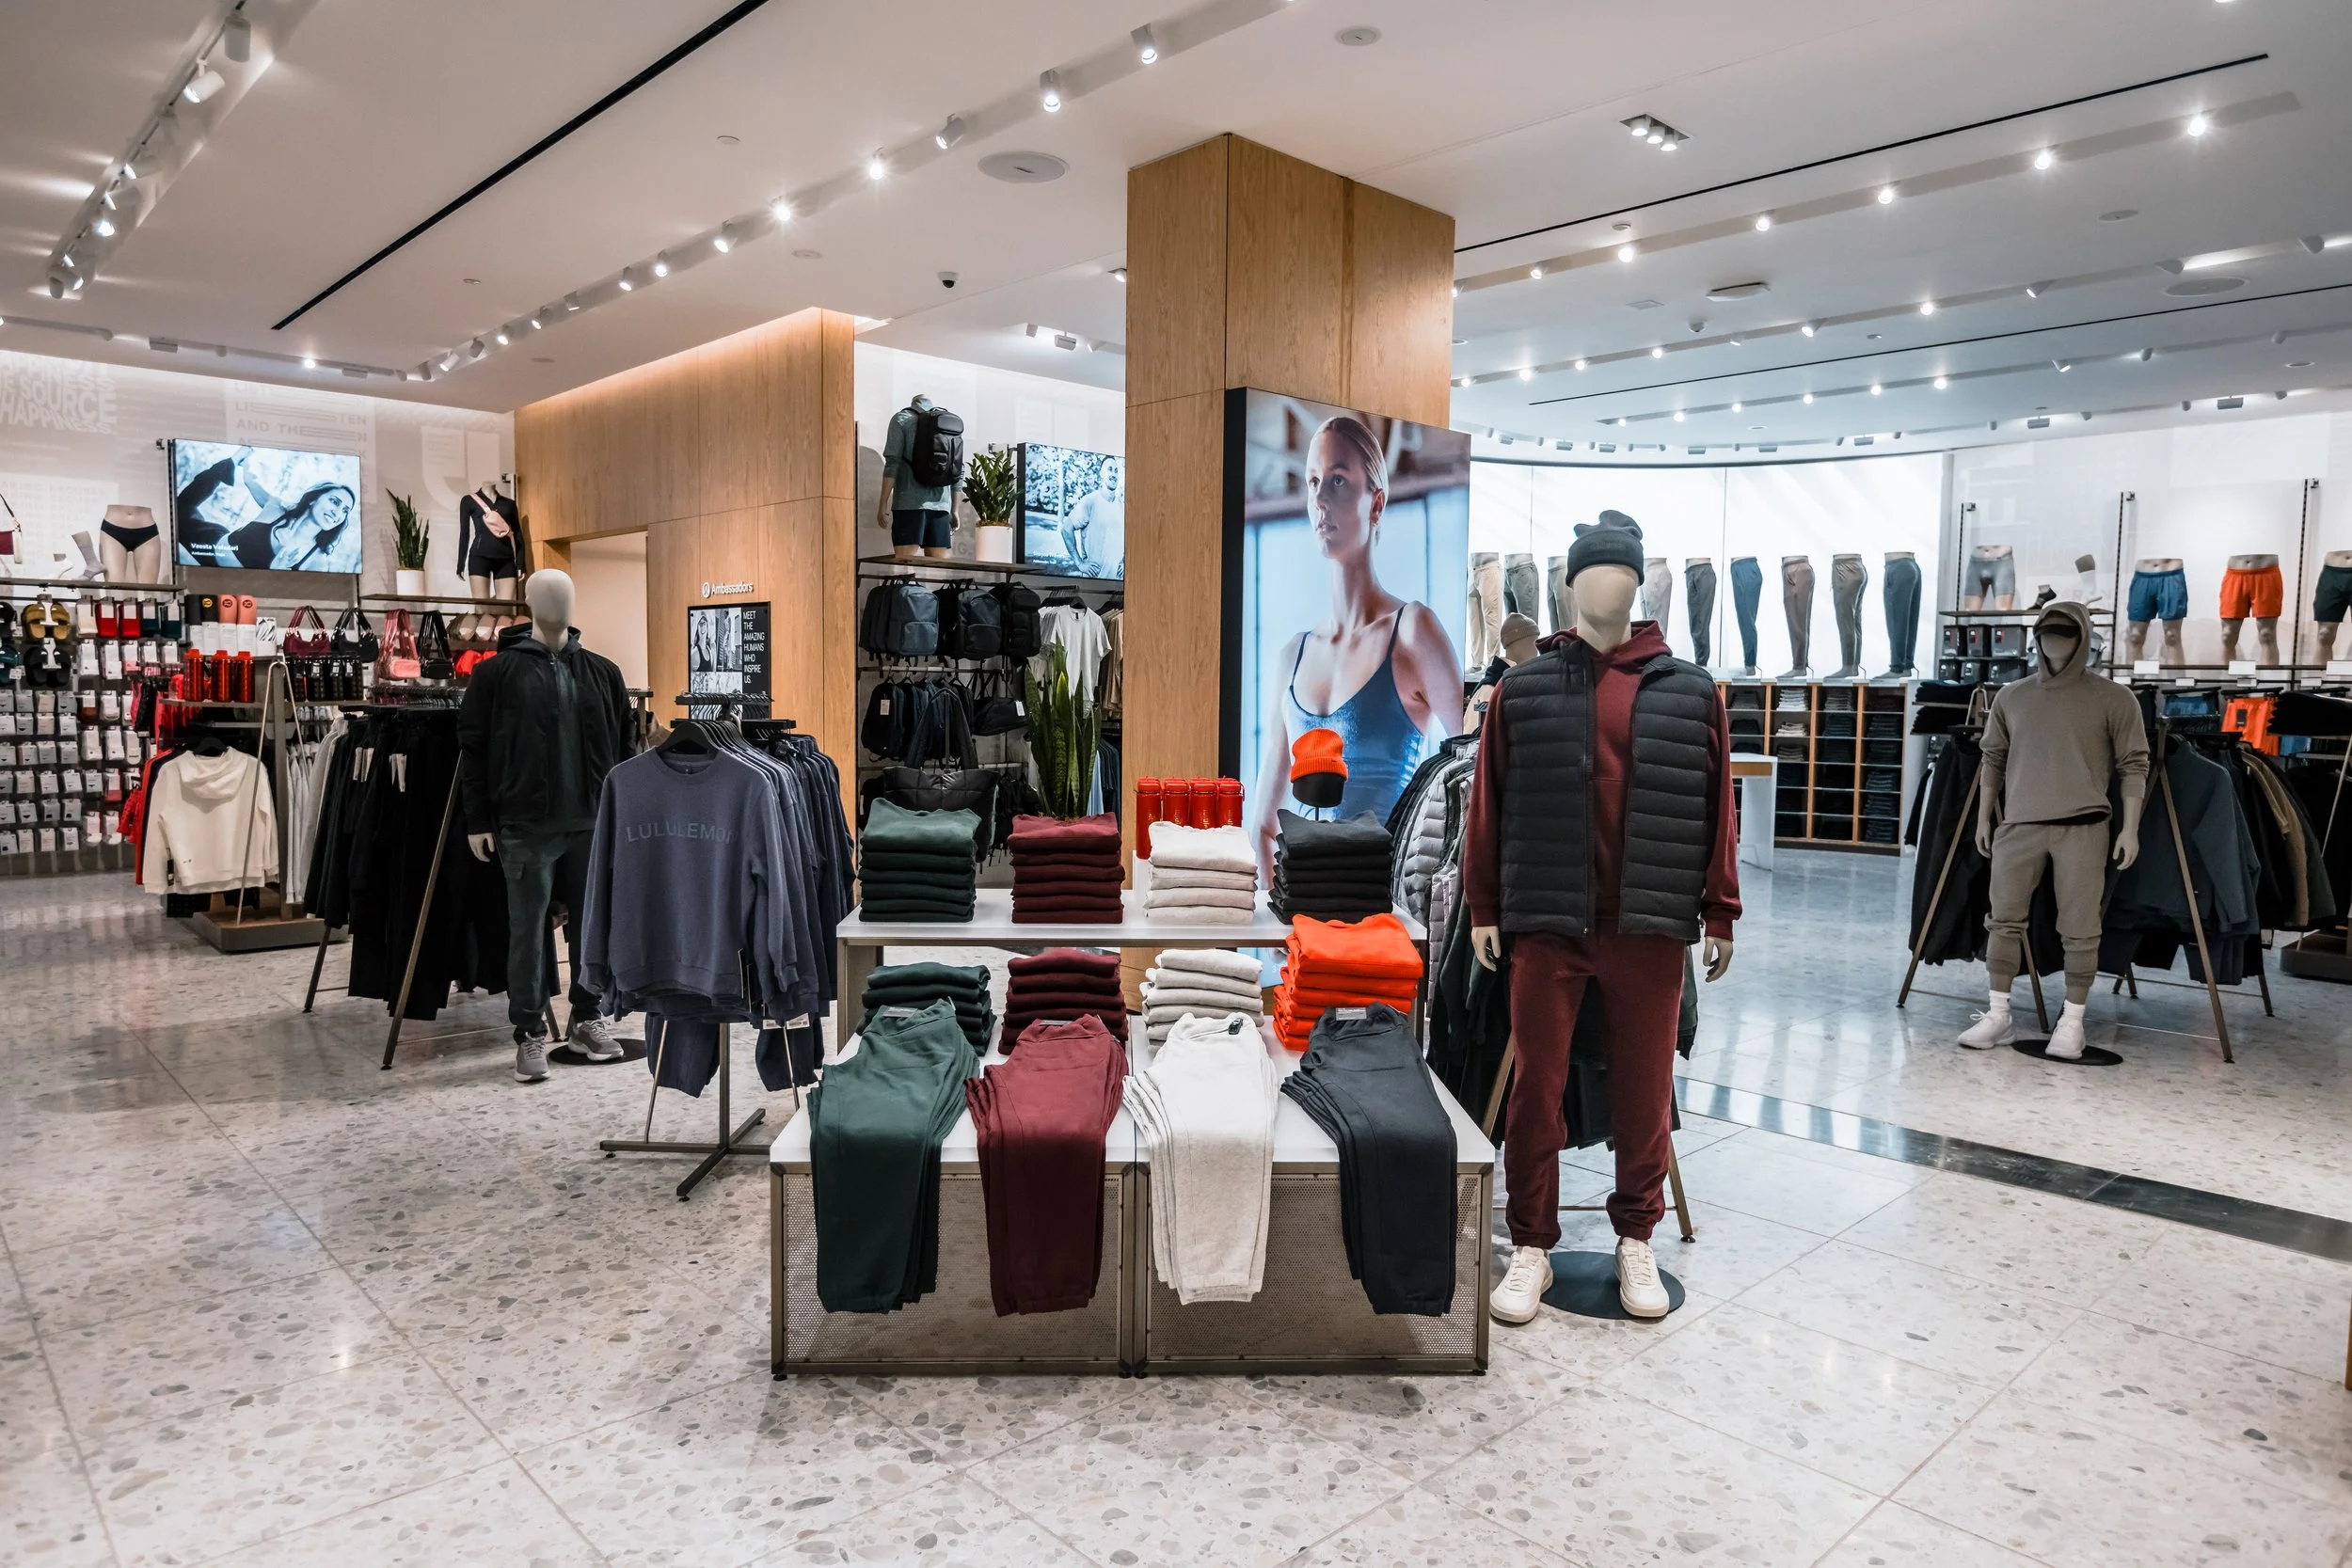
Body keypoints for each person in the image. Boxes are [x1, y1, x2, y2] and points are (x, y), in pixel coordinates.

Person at [1248, 415, 1462, 879]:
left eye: (1339, 481)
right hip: (1302, 928)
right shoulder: (1293, 656)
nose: (1321, 500)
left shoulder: (1413, 631)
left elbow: (1471, 774)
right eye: (1313, 482)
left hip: (1382, 924)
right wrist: (1276, 934)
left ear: (1376, 503)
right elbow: (1264, 826)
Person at [226, 483, 358, 571]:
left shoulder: (317, 561)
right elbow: (250, 480)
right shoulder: (278, 509)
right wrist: (245, 457)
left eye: (345, 511)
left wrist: (275, 570)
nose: (337, 513)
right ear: (313, 499)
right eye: (334, 501)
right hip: (211, 540)